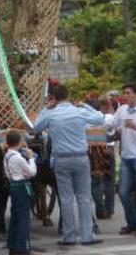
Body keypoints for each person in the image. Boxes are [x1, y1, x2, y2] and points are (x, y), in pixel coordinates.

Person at [34, 84, 105, 246]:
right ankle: (88, 235)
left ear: (54, 98)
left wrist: (46, 109)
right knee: (84, 197)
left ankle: (69, 236)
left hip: (61, 158)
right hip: (80, 157)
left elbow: (35, 127)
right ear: (68, 96)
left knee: (65, 198)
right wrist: (85, 105)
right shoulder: (78, 111)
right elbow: (100, 118)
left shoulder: (51, 114)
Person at [109, 84, 136, 236]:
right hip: (127, 156)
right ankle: (132, 222)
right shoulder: (122, 110)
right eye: (124, 93)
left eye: (128, 93)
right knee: (123, 192)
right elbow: (112, 125)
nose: (125, 96)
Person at [3, 130, 40, 255]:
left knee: (15, 216)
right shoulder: (18, 157)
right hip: (22, 187)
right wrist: (31, 159)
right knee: (24, 218)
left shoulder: (7, 156)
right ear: (19, 142)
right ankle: (24, 249)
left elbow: (7, 174)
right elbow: (31, 172)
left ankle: (12, 246)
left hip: (13, 185)